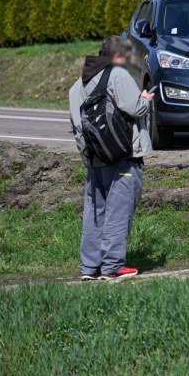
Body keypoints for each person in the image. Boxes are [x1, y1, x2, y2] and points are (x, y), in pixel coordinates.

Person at [69, 36, 154, 281]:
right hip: (123, 154)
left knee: (95, 211)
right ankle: (113, 267)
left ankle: (91, 267)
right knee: (119, 210)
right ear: (118, 56)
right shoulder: (117, 75)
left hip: (94, 157)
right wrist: (146, 100)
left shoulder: (78, 84)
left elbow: (76, 124)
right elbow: (135, 108)